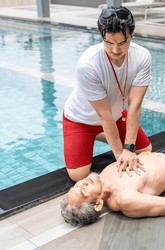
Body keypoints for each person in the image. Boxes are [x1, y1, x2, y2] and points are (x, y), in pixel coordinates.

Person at [62, 6, 152, 182]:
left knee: (145, 151)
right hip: (81, 119)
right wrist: (121, 155)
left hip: (116, 116)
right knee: (78, 175)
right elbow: (103, 114)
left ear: (131, 36)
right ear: (102, 36)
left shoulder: (143, 57)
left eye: (122, 42)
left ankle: (101, 135)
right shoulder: (88, 64)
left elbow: (135, 105)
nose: (116, 50)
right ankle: (91, 134)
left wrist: (129, 148)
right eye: (109, 43)